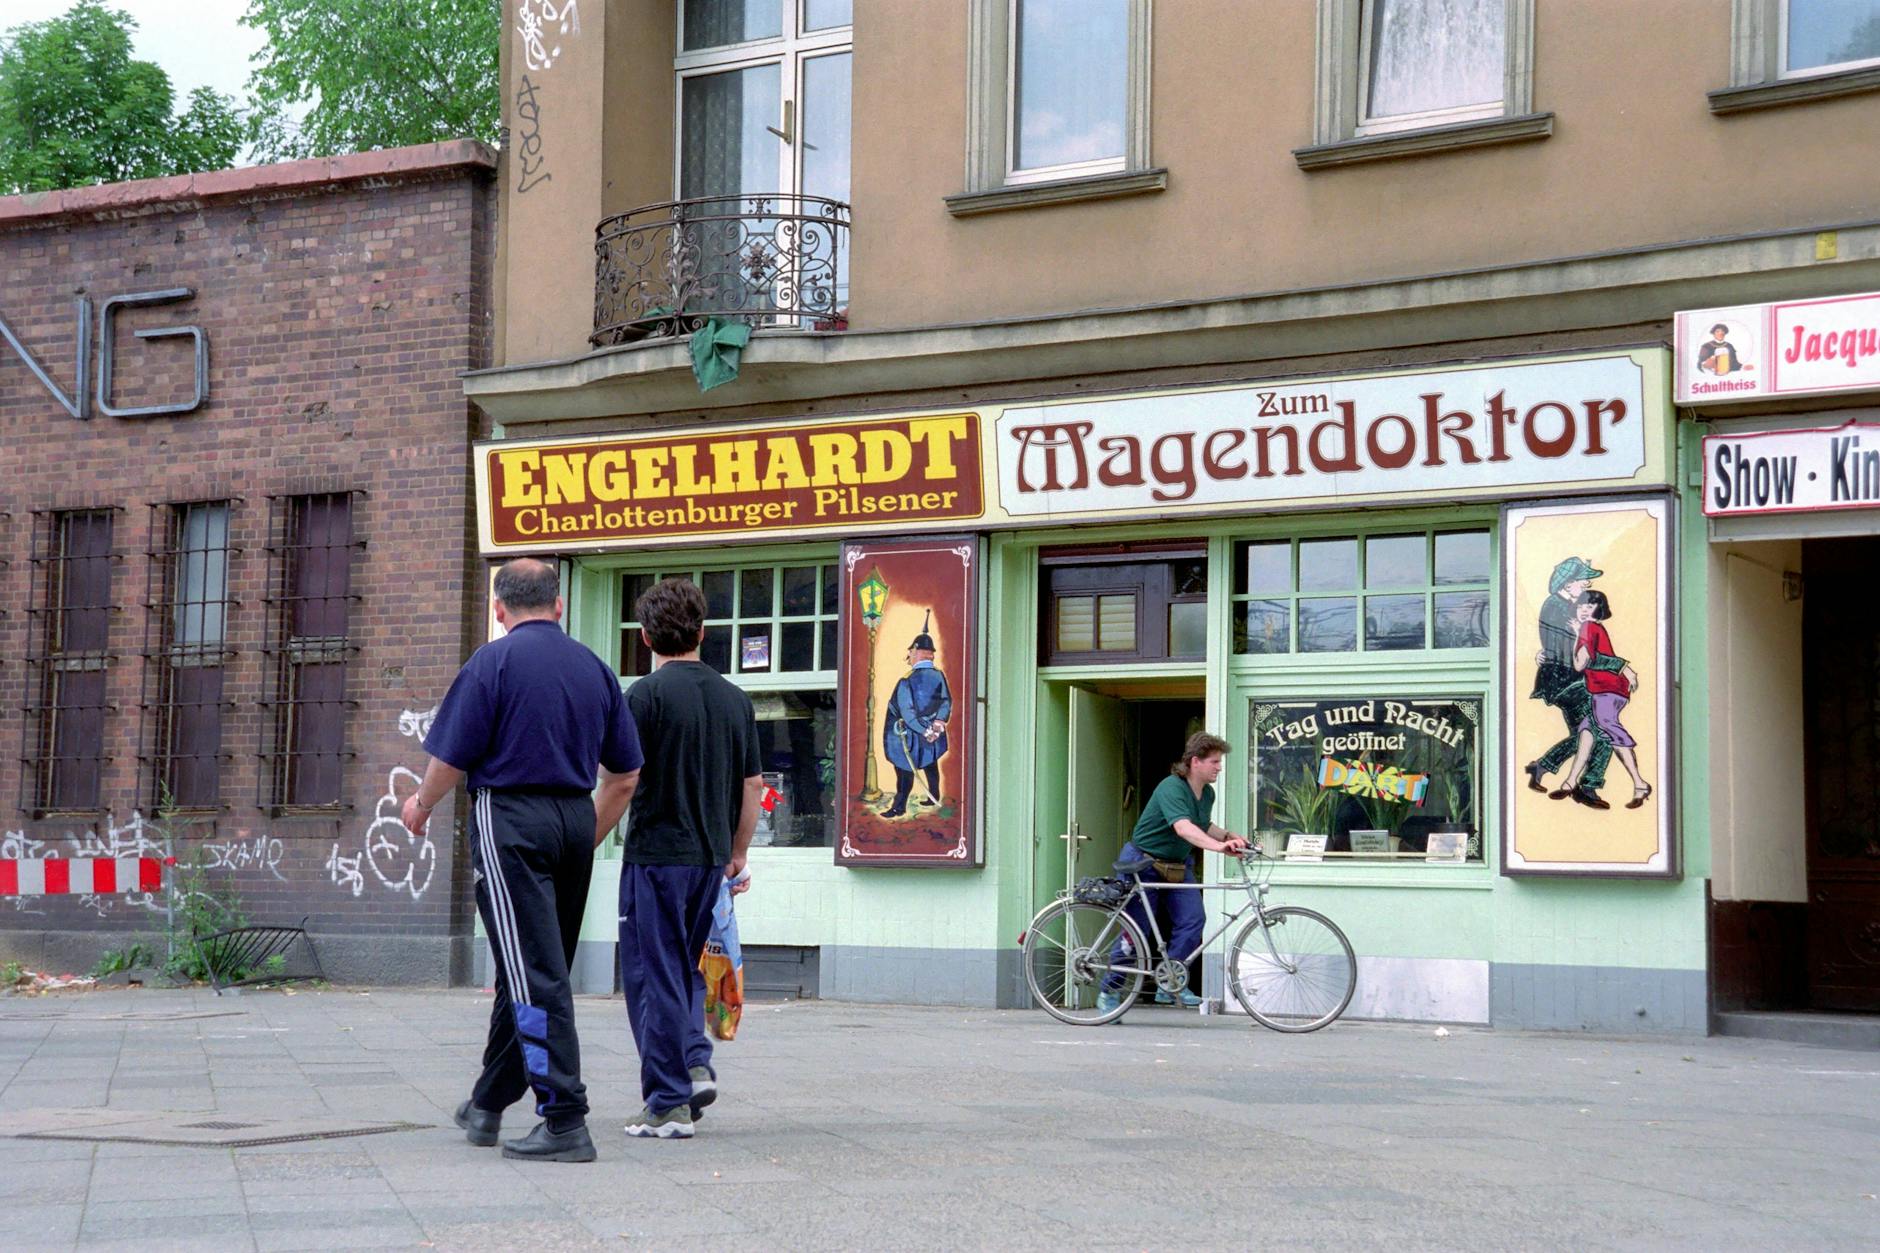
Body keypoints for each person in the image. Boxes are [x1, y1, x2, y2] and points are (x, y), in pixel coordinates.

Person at [403, 558, 642, 1164]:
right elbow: (625, 775)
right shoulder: (595, 669)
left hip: (509, 819)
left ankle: (564, 1118)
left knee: (534, 973)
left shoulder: (493, 662)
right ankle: (488, 1101)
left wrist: (422, 803)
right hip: (572, 818)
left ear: (500, 610)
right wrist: (583, 834)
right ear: (559, 606)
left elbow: (452, 759)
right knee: (535, 965)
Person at [617, 578, 763, 1140]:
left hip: (655, 856)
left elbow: (623, 779)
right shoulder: (735, 699)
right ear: (704, 632)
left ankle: (666, 1103)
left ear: (647, 636)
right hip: (709, 862)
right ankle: (696, 1060)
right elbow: (752, 786)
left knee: (652, 975)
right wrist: (738, 854)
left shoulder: (644, 698)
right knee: (684, 967)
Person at [1099, 732, 1249, 1016]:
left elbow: (1201, 825)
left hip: (1177, 866)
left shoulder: (1207, 793)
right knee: (1136, 932)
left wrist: (1231, 836)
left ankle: (1169, 983)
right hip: (1142, 863)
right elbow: (1183, 827)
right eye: (1214, 762)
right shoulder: (1172, 787)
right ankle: (1110, 989)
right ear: (1195, 762)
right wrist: (1219, 847)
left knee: (1193, 921)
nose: (1219, 767)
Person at [1523, 556, 1614, 809]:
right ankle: (1586, 784)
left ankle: (1554, 771)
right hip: (1566, 680)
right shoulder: (1558, 606)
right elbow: (1566, 649)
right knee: (1599, 730)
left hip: (1568, 678)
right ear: (1568, 583)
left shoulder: (1568, 606)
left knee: (1589, 733)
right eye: (1582, 581)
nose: (1586, 585)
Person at [1555, 589, 1652, 809]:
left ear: (1599, 609)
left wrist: (1624, 668)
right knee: (1587, 732)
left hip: (1607, 690)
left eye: (1589, 606)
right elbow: (1597, 658)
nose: (1583, 610)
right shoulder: (1592, 628)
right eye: (1581, 606)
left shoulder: (1589, 627)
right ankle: (1571, 781)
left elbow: (1581, 663)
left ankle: (1639, 783)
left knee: (1609, 728)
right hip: (1608, 689)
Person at [880, 611, 950, 819]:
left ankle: (899, 807)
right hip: (929, 733)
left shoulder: (906, 680)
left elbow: (907, 712)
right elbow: (946, 702)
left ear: (919, 652)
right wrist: (937, 725)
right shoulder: (938, 675)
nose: (909, 654)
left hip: (907, 736)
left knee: (904, 770)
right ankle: (934, 796)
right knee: (930, 762)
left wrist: (927, 729)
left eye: (911, 650)